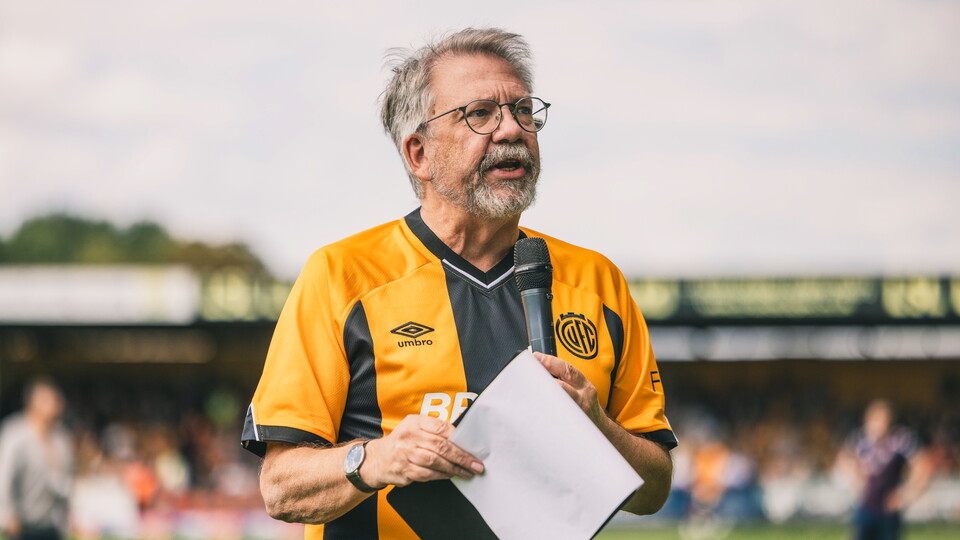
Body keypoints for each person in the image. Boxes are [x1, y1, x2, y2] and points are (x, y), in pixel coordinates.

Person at [241, 27, 677, 538]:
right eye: (480, 114)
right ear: (418, 154)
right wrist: (376, 460)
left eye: (522, 110)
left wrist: (597, 427)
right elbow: (281, 488)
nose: (512, 130)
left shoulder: (599, 283)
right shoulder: (341, 276)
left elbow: (655, 488)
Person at [837, 399, 933, 540]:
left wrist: (907, 493)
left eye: (882, 419)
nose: (877, 424)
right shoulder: (860, 438)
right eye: (874, 418)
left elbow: (923, 464)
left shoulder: (901, 440)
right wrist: (855, 481)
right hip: (865, 507)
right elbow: (844, 457)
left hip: (888, 511)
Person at [0, 377, 73, 540]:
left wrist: (69, 513)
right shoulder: (15, 434)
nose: (56, 405)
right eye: (50, 400)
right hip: (22, 524)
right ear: (34, 402)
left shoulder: (60, 438)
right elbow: (4, 476)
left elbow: (63, 480)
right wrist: (6, 514)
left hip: (51, 524)